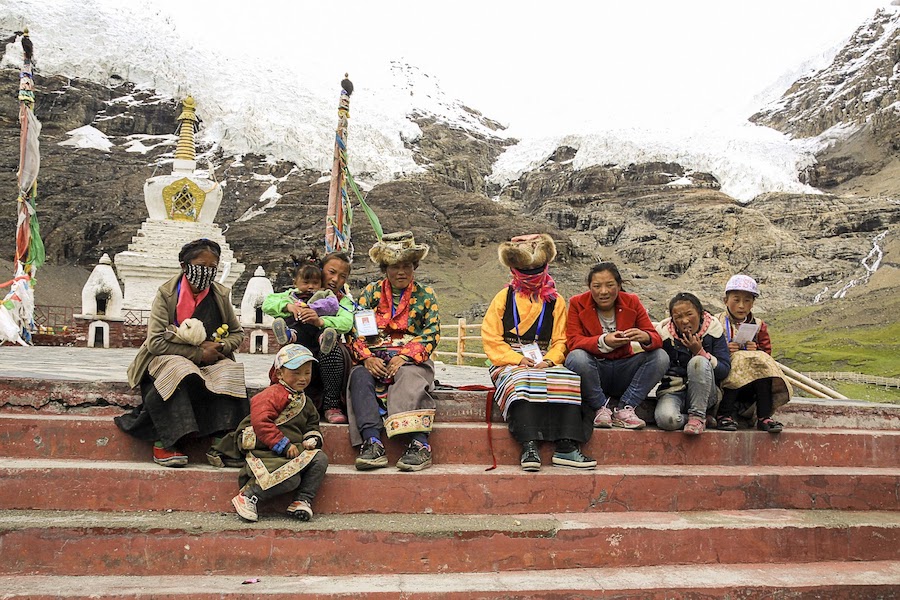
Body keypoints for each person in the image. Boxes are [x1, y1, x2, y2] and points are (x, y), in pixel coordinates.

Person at [116, 238, 248, 467]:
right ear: (184, 265)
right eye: (200, 265)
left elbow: (237, 332)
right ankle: (166, 443)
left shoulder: (219, 295)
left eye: (212, 267)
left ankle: (223, 443)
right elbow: (156, 342)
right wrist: (198, 354)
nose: (206, 272)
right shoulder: (167, 295)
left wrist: (222, 347)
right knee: (181, 370)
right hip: (168, 356)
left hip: (212, 356)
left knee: (230, 371)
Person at [481, 234, 596, 471]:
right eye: (525, 269)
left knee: (567, 380)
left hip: (545, 358)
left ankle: (566, 445)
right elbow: (491, 338)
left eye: (536, 268)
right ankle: (529, 444)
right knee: (521, 380)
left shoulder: (556, 301)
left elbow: (561, 339)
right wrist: (517, 359)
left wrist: (550, 360)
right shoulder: (504, 297)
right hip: (509, 357)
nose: (531, 274)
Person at [346, 231, 441, 472]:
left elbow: (431, 332)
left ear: (414, 266)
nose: (401, 272)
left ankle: (419, 444)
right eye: (394, 266)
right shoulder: (370, 293)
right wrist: (366, 358)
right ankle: (372, 441)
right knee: (358, 377)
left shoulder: (426, 295)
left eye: (406, 266)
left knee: (409, 377)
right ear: (385, 268)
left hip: (411, 359)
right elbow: (356, 329)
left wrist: (405, 356)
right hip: (375, 356)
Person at [212, 344, 328, 522]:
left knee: (320, 459)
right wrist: (282, 444)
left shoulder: (305, 401)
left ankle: (303, 499)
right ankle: (249, 496)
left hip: (293, 449)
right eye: (296, 373)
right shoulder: (272, 394)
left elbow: (312, 424)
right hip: (267, 449)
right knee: (291, 480)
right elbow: (261, 421)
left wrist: (312, 438)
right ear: (280, 373)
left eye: (307, 372)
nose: (303, 378)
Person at [565, 262, 669, 430]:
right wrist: (603, 341)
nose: (603, 291)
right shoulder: (578, 303)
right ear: (589, 287)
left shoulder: (632, 301)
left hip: (624, 368)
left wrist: (645, 337)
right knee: (577, 357)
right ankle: (601, 407)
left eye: (610, 285)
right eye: (597, 286)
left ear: (619, 286)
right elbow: (573, 341)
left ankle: (625, 408)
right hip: (594, 369)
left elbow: (655, 337)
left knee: (660, 357)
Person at [262, 252, 354, 424]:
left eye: (342, 276)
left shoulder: (342, 301)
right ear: (320, 270)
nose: (335, 279)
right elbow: (268, 303)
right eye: (331, 272)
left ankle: (331, 405)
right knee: (292, 351)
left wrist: (320, 321)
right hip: (300, 349)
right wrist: (288, 306)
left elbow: (346, 322)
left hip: (326, 358)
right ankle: (288, 401)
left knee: (332, 347)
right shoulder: (294, 294)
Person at [714, 274, 792, 433]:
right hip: (724, 381)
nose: (741, 306)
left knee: (762, 365)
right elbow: (708, 351)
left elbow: (767, 355)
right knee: (739, 361)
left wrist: (756, 350)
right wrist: (724, 350)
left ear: (753, 303)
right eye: (736, 300)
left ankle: (764, 416)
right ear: (725, 301)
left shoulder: (758, 325)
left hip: (752, 385)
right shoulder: (716, 322)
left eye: (747, 300)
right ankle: (724, 414)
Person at [654, 292, 731, 435]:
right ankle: (697, 420)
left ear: (701, 314)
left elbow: (724, 370)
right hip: (673, 391)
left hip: (706, 395)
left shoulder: (713, 331)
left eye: (689, 314)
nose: (684, 321)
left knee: (698, 361)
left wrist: (700, 352)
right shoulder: (664, 336)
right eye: (678, 317)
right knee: (667, 420)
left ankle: (698, 416)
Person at [266, 261, 340, 353]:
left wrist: (312, 308)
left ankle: (325, 340)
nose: (311, 286)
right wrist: (288, 306)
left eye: (315, 283)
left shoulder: (324, 293)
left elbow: (333, 305)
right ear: (295, 283)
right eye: (306, 282)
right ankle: (287, 335)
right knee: (294, 330)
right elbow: (267, 303)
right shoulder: (290, 296)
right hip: (298, 329)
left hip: (316, 327)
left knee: (324, 332)